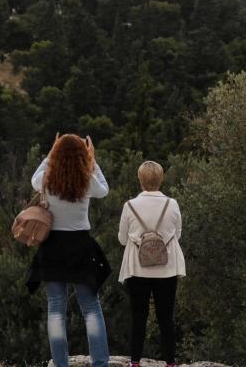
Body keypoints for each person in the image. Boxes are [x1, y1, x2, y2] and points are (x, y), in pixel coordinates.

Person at [26, 134, 111, 367]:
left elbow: (34, 178)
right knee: (91, 307)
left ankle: (61, 364)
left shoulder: (46, 179)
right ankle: (100, 363)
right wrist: (92, 161)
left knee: (55, 308)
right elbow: (104, 190)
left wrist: (50, 153)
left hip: (52, 246)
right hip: (80, 246)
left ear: (56, 155)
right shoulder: (87, 179)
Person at [118, 161, 185, 367]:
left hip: (137, 269)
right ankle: (170, 363)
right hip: (167, 269)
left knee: (138, 316)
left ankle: (135, 362)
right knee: (166, 317)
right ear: (161, 179)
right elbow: (178, 234)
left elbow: (122, 239)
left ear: (140, 180)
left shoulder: (129, 206)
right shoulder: (172, 204)